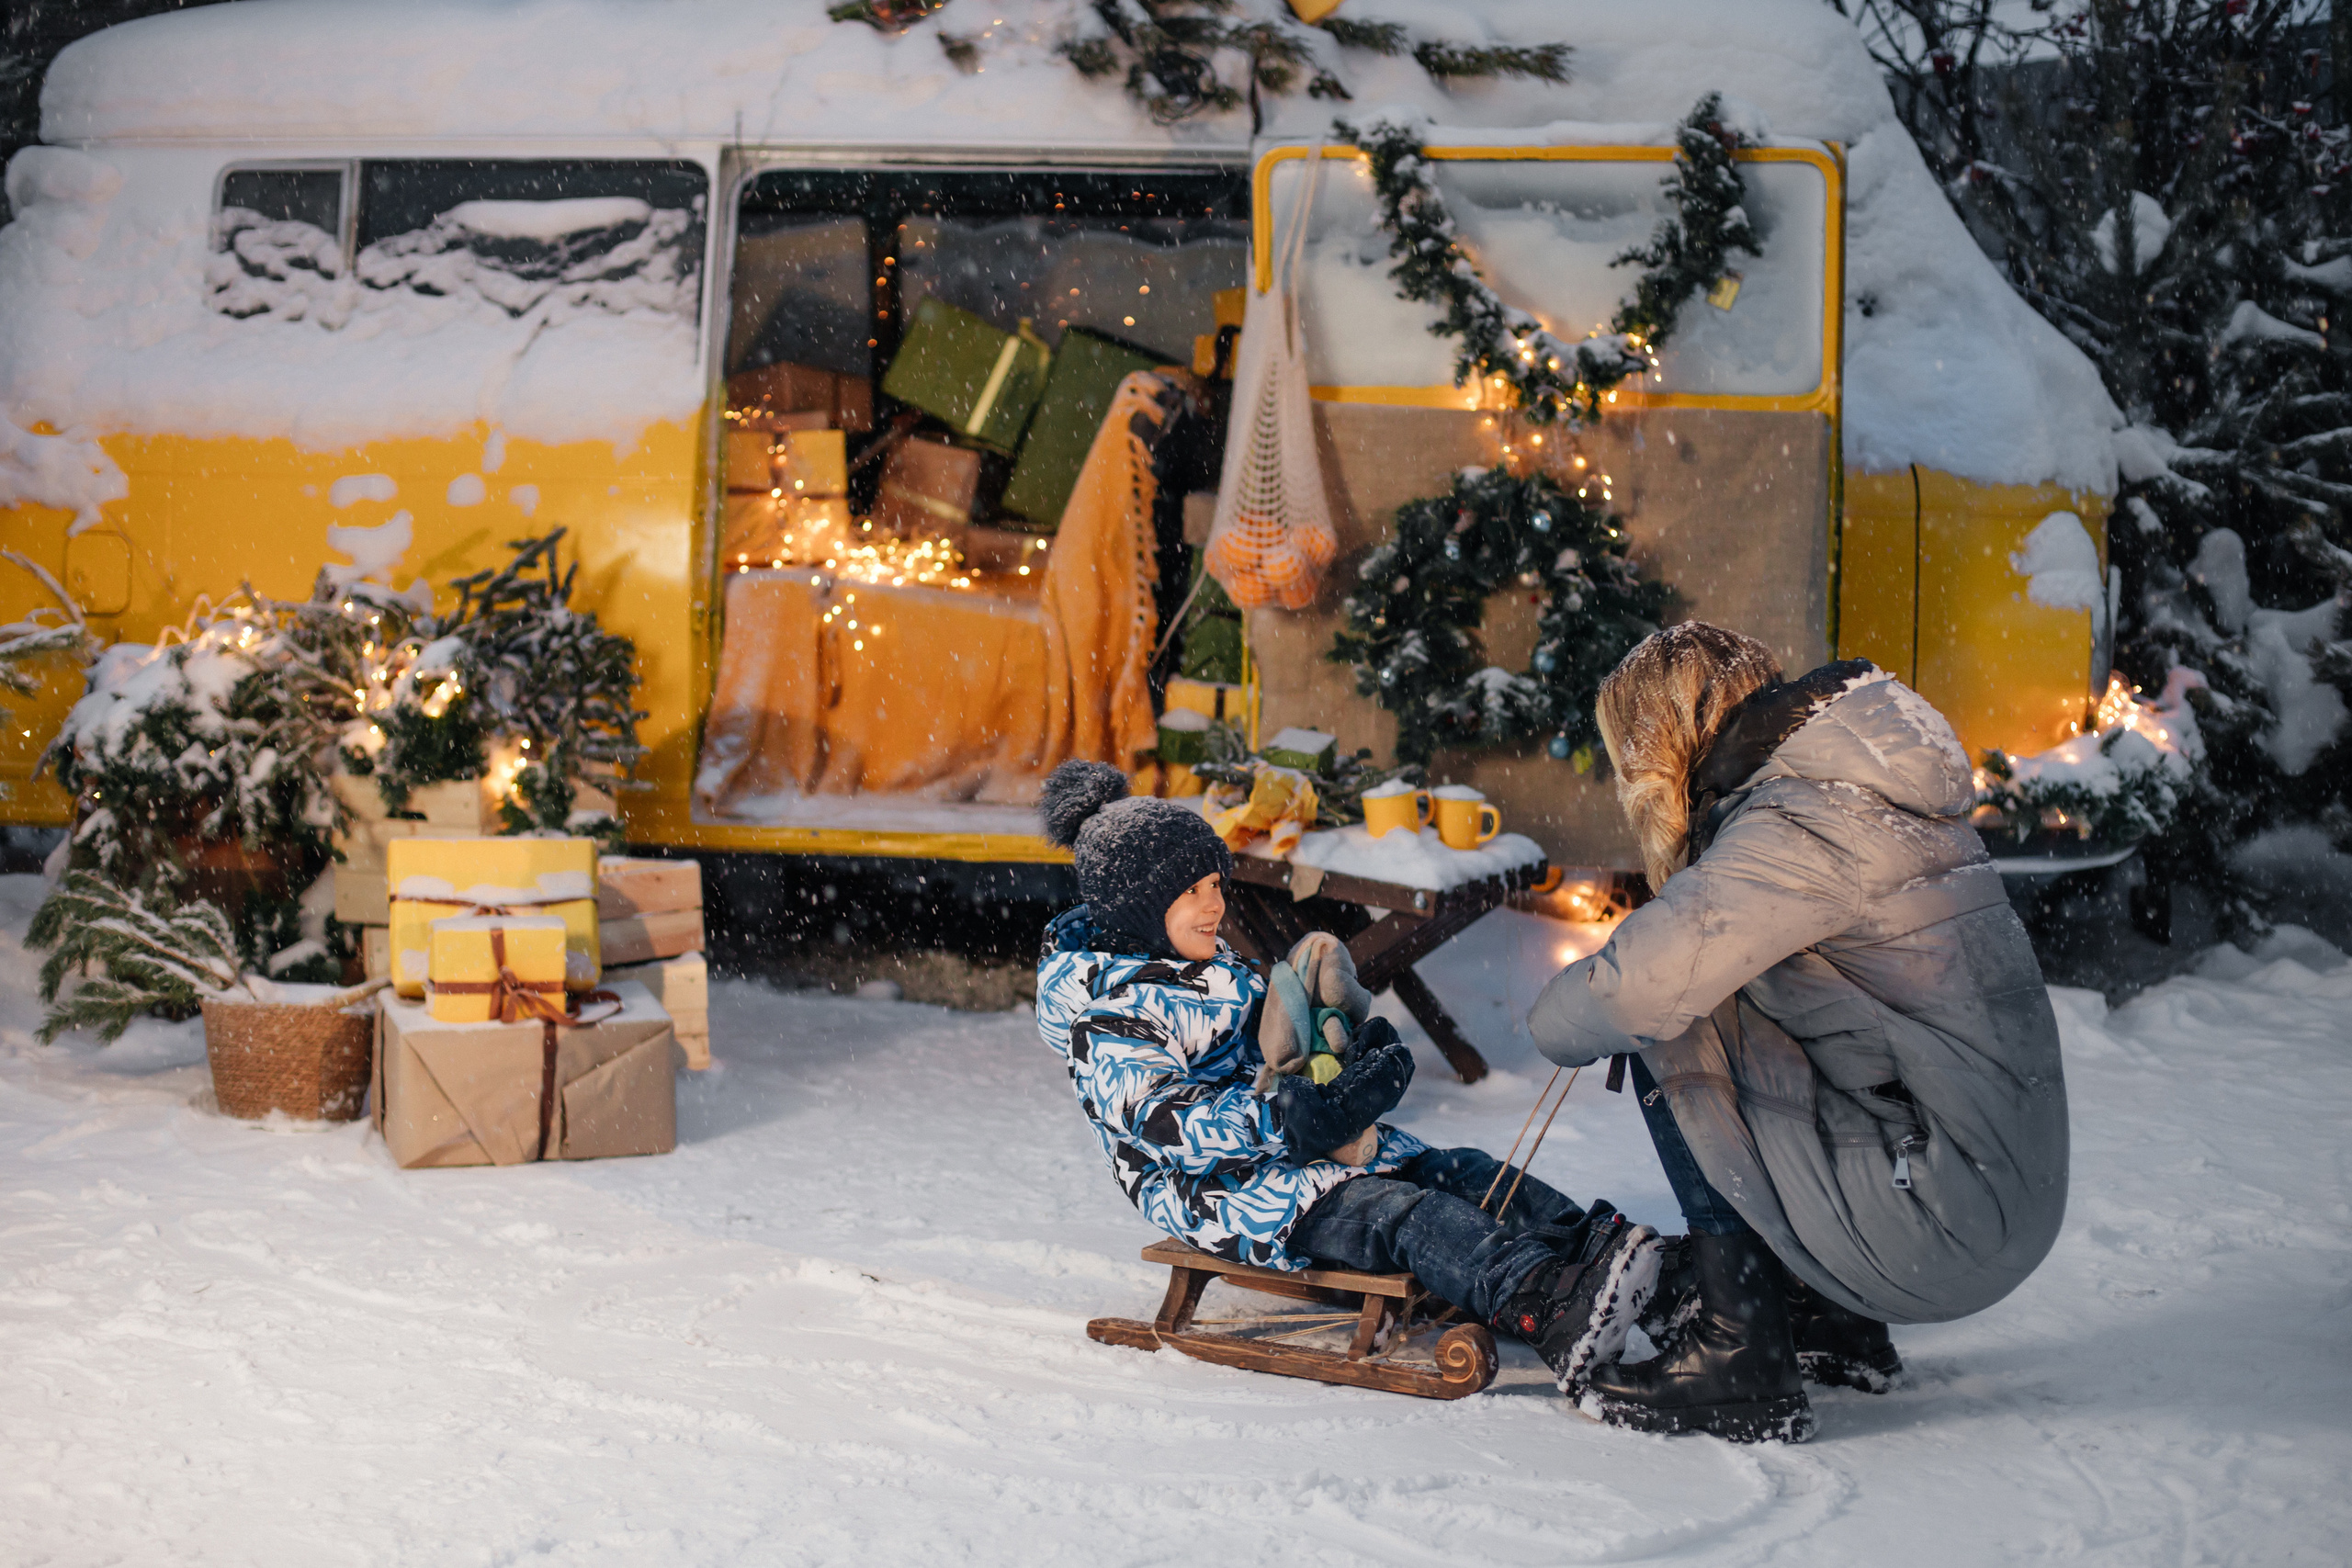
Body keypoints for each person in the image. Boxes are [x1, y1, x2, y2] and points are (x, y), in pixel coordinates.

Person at [1528, 624, 2071, 1443]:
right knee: (1715, 980)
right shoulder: (1849, 784)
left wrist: (1547, 1020)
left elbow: (1638, 987)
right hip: (1985, 1188)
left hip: (1947, 1211)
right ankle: (1832, 1320)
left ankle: (1741, 1355)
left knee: (1674, 1010)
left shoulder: (1800, 820)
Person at [1034, 759, 1663, 1391]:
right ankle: (1540, 1299)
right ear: (1139, 908)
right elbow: (1171, 1125)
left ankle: (1596, 1255)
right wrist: (1292, 1114)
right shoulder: (1110, 1019)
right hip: (1223, 1193)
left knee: (1463, 1170)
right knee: (1401, 1213)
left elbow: (1281, 1040)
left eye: (1216, 885)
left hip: (1292, 1153)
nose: (1215, 904)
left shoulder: (1208, 968)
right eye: (1192, 891)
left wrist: (1349, 1055)